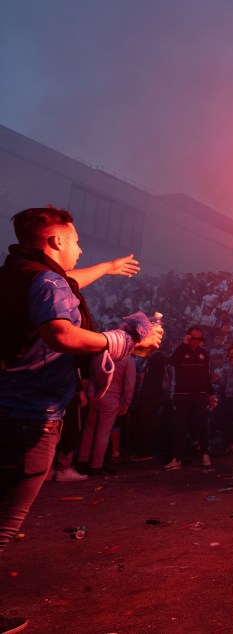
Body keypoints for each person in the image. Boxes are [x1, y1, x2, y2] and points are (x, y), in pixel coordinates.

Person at [0, 207, 161, 632]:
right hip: (30, 416)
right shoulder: (46, 280)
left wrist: (107, 268)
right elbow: (61, 332)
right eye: (74, 241)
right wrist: (121, 341)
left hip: (7, 408)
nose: (80, 248)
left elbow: (66, 284)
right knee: (5, 521)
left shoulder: (18, 271)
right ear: (54, 242)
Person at [165, 326, 216, 470]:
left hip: (200, 395)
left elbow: (207, 375)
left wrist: (211, 393)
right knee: (180, 427)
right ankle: (177, 459)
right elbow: (172, 362)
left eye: (199, 339)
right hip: (182, 395)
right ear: (188, 338)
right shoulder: (181, 351)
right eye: (194, 338)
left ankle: (205, 455)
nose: (197, 341)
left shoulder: (204, 353)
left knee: (203, 426)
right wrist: (183, 345)